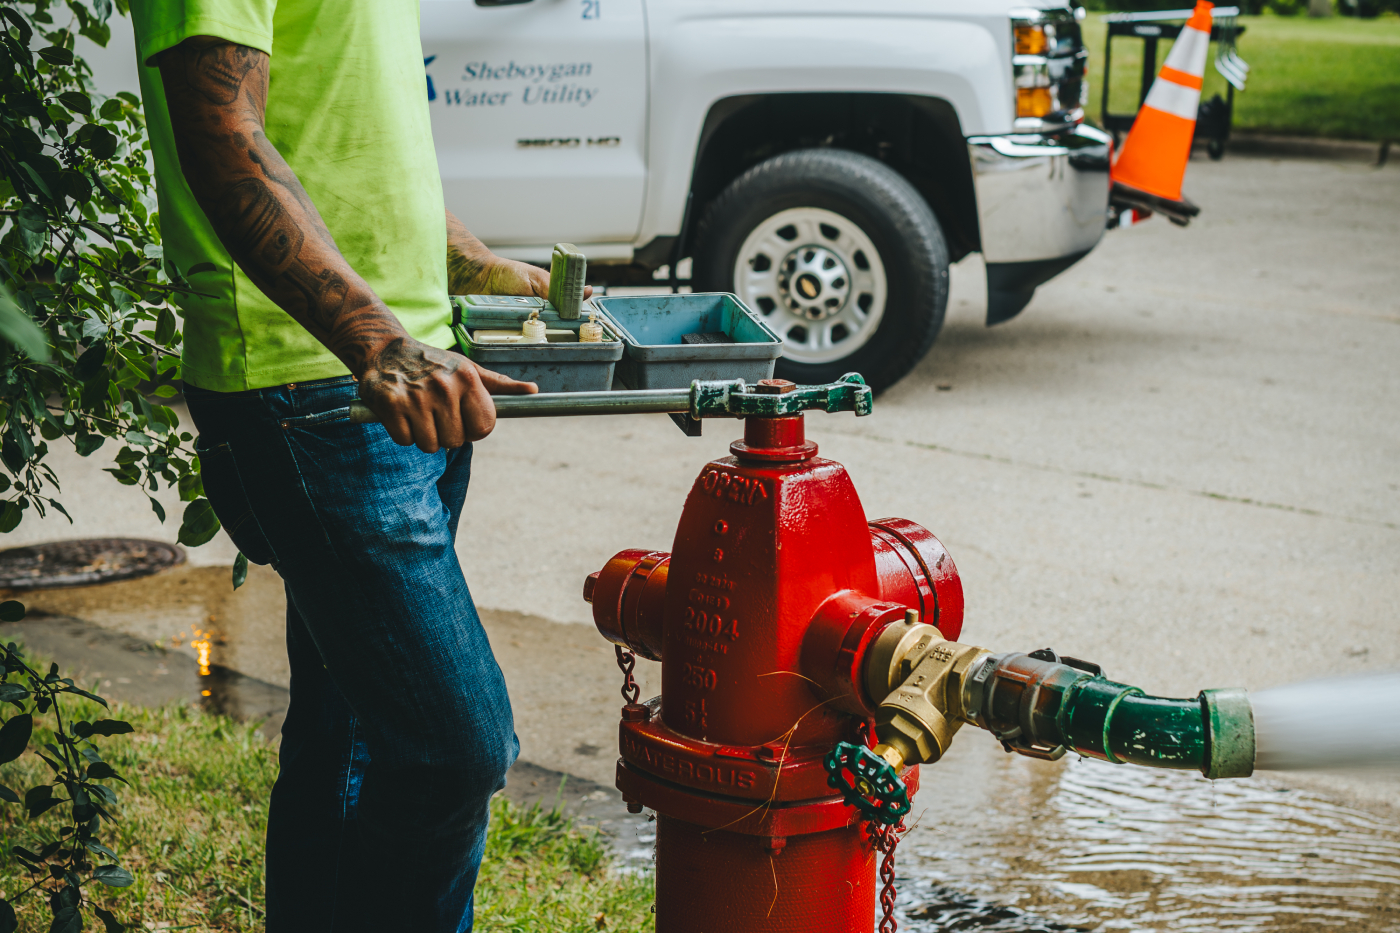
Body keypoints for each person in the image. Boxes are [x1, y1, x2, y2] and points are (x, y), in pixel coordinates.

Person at [128, 1, 552, 929]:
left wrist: (463, 259)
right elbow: (221, 133)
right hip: (317, 383)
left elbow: (338, 128)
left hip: (396, 375)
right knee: (453, 745)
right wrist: (377, 341)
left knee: (351, 728)